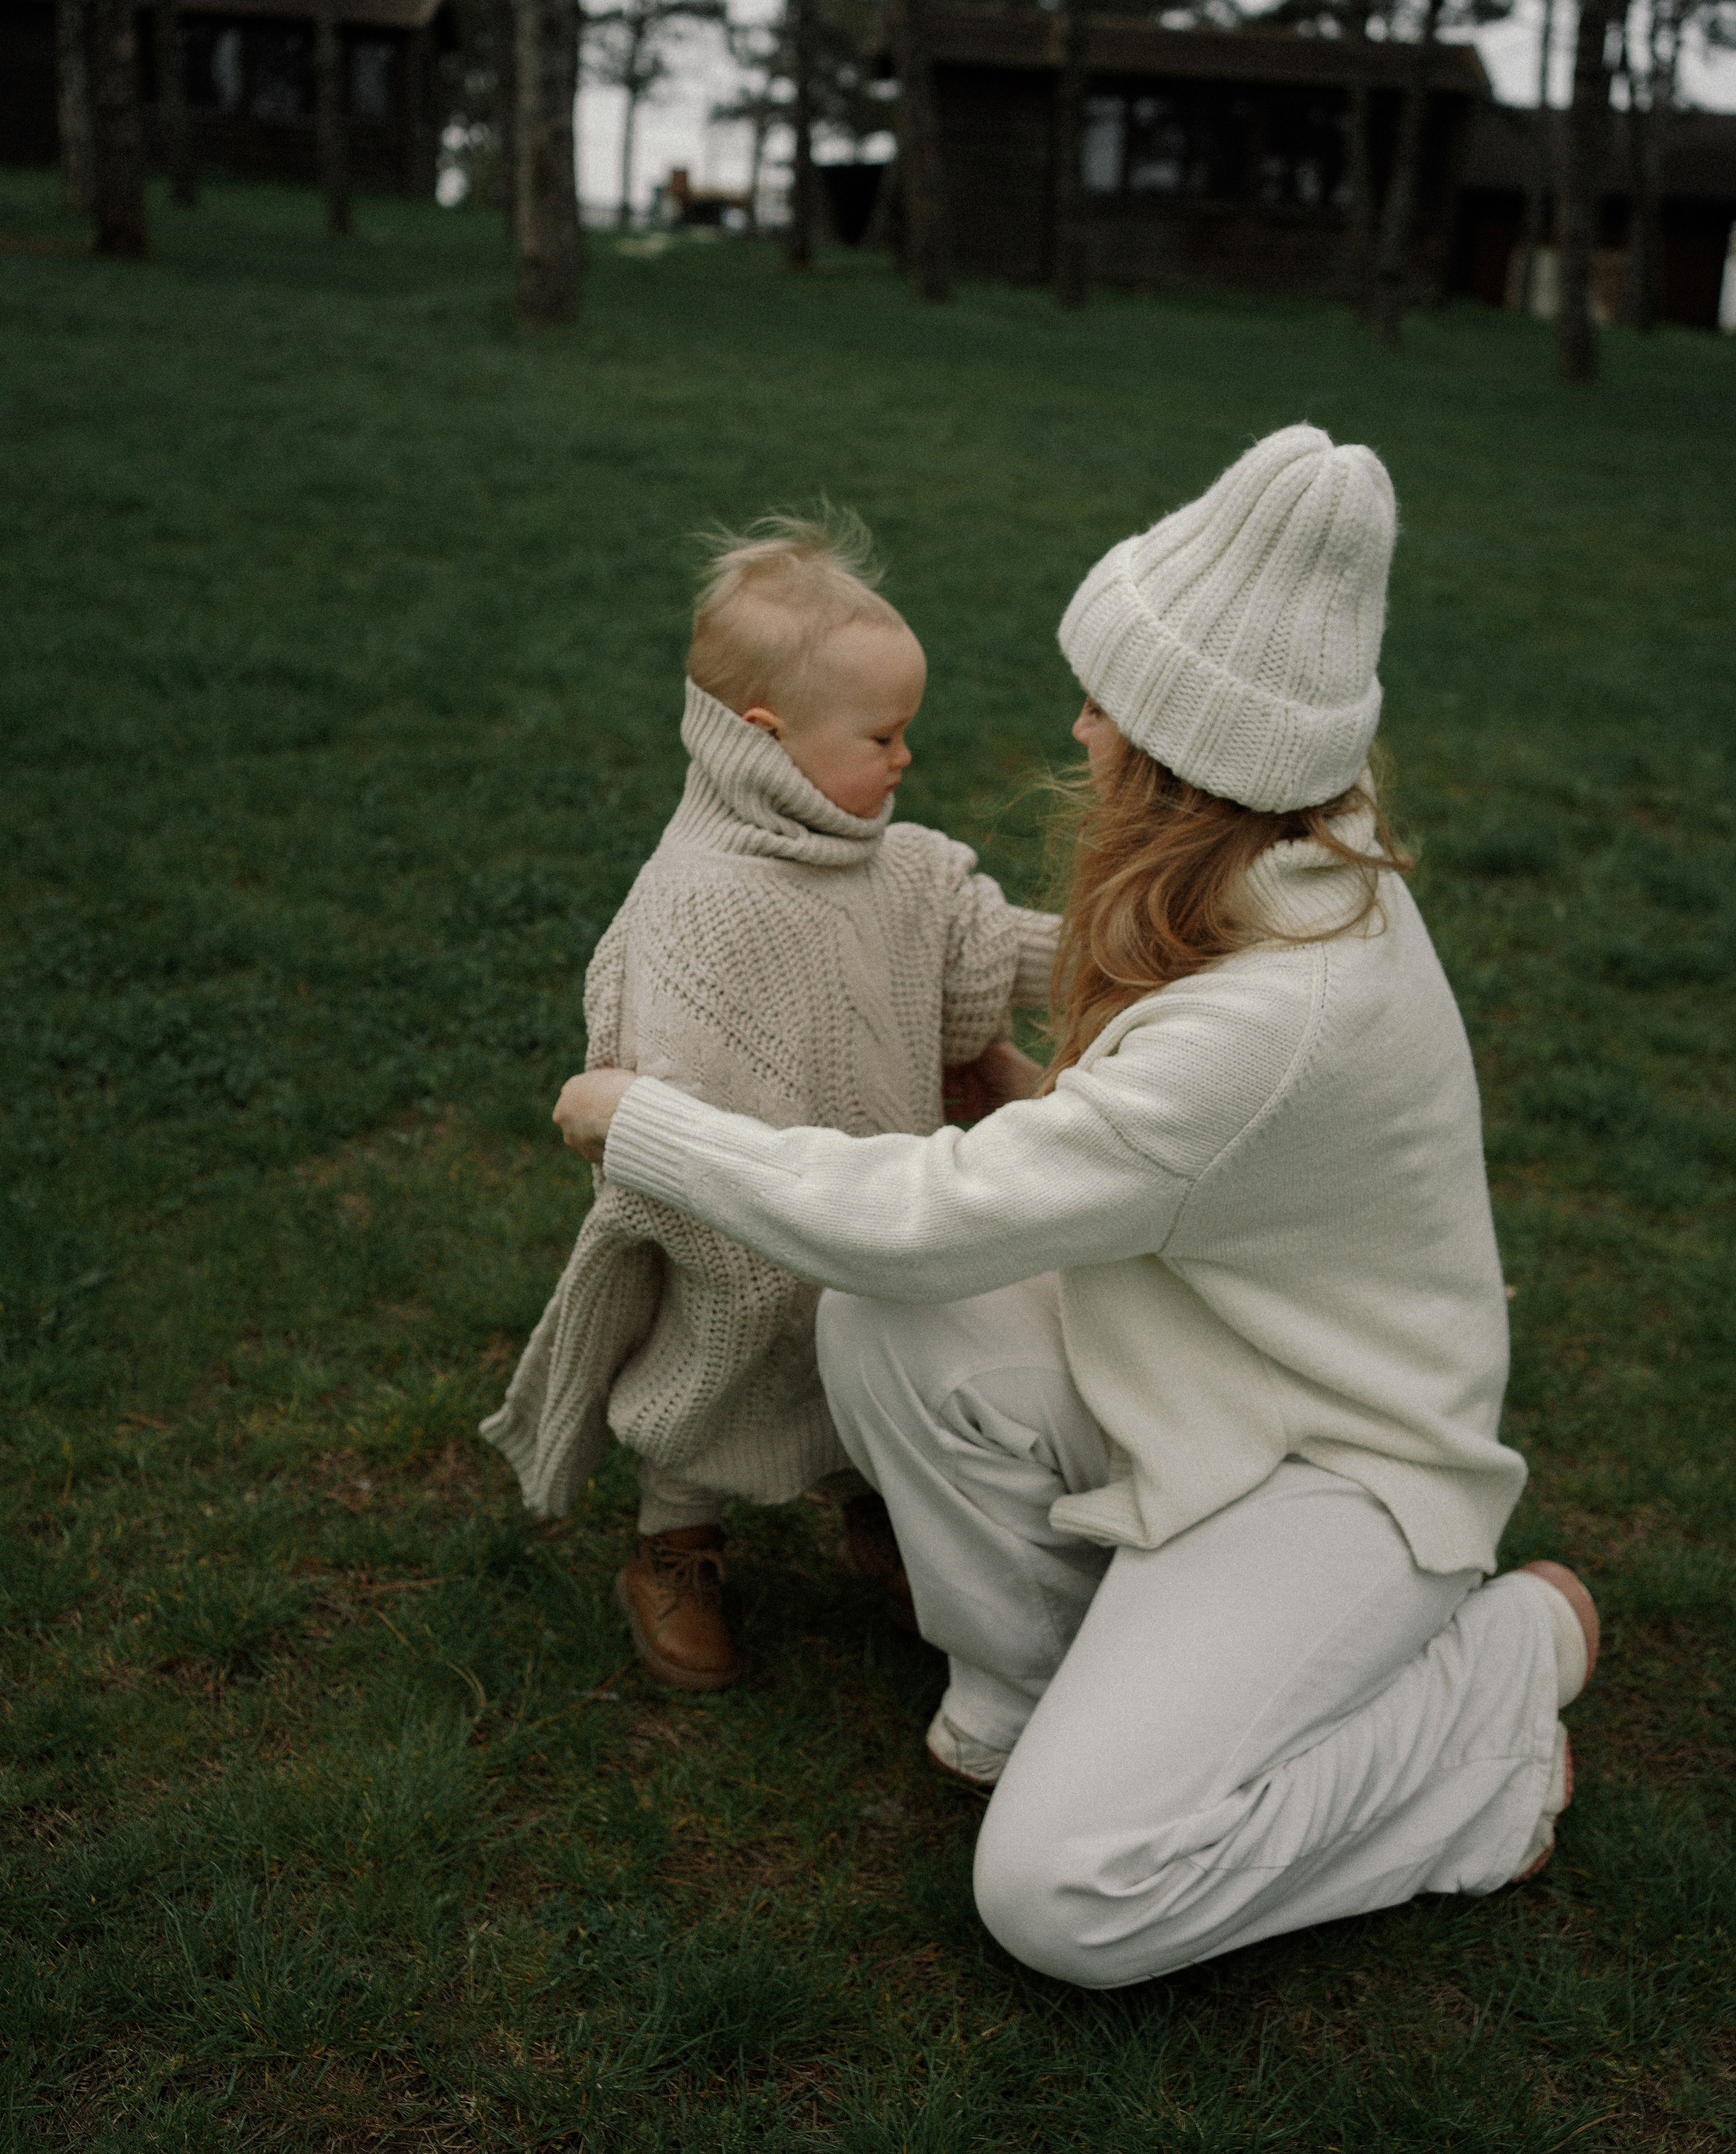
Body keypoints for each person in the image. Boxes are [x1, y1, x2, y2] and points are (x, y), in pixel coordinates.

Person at [551, 426, 1598, 1988]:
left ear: (1185, 754)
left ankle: (1488, 1697)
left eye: (1110, 701)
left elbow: (931, 1210)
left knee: (1066, 1899)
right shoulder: (1291, 860)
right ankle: (1048, 1694)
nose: (1081, 724)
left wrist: (650, 1126)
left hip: (1337, 1469)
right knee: (888, 1333)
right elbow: (1111, 1142)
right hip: (1203, 1373)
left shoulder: (1272, 1019)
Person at [481, 515, 1058, 1692]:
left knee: (886, 1355)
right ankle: (676, 1546)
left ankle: (882, 1512)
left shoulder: (890, 860)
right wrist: (731, 1213)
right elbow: (666, 1093)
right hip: (736, 1225)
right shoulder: (697, 907)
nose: (906, 760)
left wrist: (1148, 954)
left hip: (878, 1198)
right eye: (885, 736)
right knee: (721, 1369)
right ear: (767, 739)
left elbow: (978, 943)